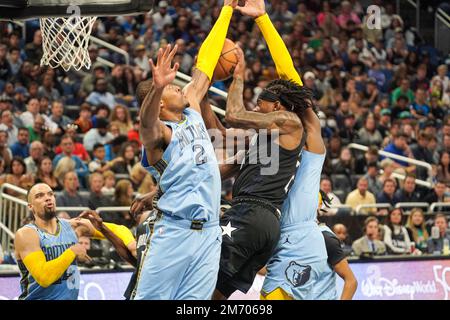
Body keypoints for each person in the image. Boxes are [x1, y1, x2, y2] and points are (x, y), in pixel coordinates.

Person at [133, 1, 235, 300]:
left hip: (210, 233)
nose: (178, 86)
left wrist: (227, 9)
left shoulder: (190, 110)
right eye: (170, 87)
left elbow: (205, 65)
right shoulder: (160, 135)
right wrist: (156, 86)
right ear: (160, 102)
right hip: (174, 233)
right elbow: (146, 122)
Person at [210, 3, 311, 299]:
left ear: (277, 106)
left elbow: (232, 114)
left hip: (252, 212)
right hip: (260, 220)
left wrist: (238, 75)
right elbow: (227, 160)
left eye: (261, 103)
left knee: (199, 278)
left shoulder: (289, 121)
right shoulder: (264, 140)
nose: (257, 107)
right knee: (218, 295)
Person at [316, 223, 358, 300]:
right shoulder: (293, 237)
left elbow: (351, 281)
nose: (341, 236)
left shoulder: (326, 238)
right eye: (339, 233)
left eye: (343, 233)